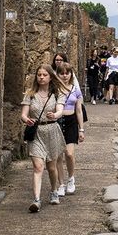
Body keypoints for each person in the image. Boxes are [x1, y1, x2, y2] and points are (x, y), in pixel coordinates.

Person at [20, 64, 68, 212]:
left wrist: (55, 115)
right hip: (36, 132)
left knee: (52, 167)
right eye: (39, 75)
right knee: (38, 167)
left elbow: (60, 110)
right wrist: (26, 119)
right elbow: (23, 114)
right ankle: (36, 200)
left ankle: (54, 191)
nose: (41, 77)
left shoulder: (57, 93)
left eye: (44, 75)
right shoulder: (30, 94)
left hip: (52, 131)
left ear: (50, 77)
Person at [55, 62, 85, 197]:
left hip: (71, 121)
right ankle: (61, 184)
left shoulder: (75, 90)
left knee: (69, 154)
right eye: (62, 73)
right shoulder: (54, 90)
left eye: (67, 73)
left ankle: (71, 178)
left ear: (71, 74)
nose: (65, 75)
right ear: (58, 74)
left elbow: (79, 110)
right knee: (58, 156)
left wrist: (81, 129)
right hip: (57, 122)